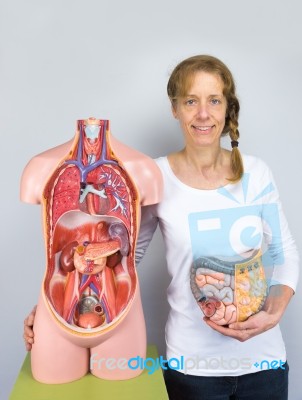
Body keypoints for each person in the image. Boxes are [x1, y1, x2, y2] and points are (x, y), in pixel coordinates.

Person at [24, 56, 299, 399]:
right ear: (175, 109)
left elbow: (284, 253)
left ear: (227, 107)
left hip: (264, 365)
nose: (203, 114)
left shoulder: (256, 173)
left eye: (214, 100)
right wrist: (56, 310)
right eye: (190, 101)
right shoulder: (156, 177)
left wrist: (272, 315)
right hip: (192, 369)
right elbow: (125, 259)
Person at [20, 117, 163, 383]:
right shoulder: (40, 167)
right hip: (58, 315)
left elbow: (128, 258)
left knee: (120, 392)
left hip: (120, 316)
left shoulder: (144, 169)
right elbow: (57, 264)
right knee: (54, 388)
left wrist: (108, 256)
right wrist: (44, 305)